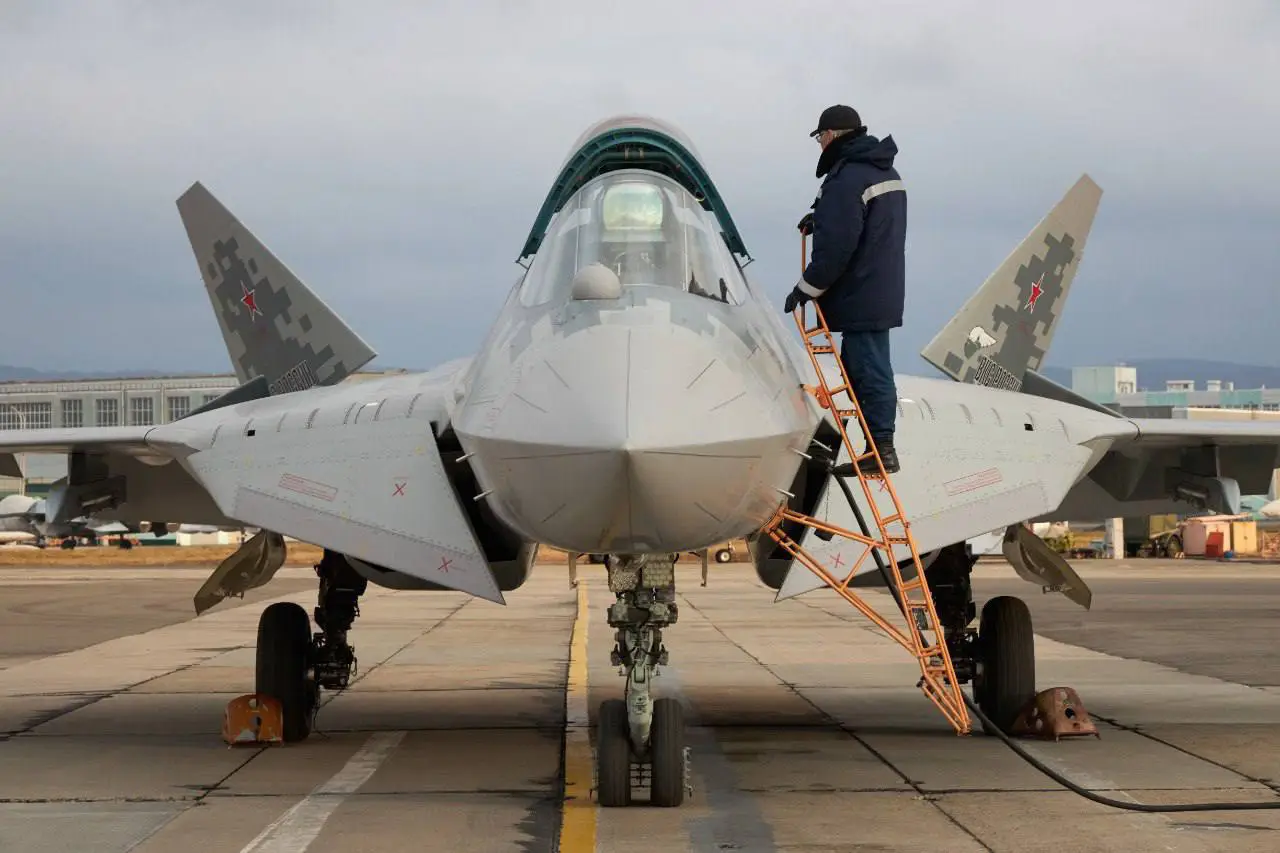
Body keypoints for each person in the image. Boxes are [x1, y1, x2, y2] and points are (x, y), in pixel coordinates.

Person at [784, 104, 906, 474]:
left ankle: (881, 451)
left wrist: (806, 288)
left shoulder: (846, 179)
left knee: (869, 370)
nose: (819, 145)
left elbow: (838, 248)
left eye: (820, 137)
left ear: (833, 136)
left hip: (861, 293)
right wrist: (821, 218)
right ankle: (873, 450)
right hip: (878, 288)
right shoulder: (882, 171)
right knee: (860, 367)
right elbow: (864, 227)